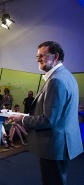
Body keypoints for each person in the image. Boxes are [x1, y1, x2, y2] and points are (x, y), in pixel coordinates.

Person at [10, 41, 83, 185]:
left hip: (54, 145)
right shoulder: (66, 76)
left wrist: (22, 119)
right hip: (60, 143)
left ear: (55, 57)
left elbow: (49, 120)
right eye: (37, 56)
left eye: (42, 56)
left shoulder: (56, 80)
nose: (38, 59)